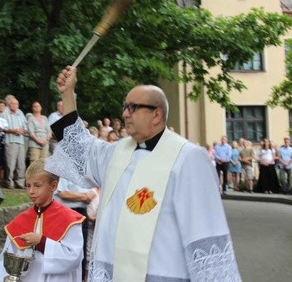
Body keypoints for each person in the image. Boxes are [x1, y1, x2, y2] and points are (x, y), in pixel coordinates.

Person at [46, 66, 241, 281]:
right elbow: (79, 148)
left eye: (133, 107)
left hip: (163, 273)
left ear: (156, 114)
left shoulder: (188, 158)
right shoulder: (116, 153)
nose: (125, 113)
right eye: (125, 107)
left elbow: (206, 231)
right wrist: (67, 94)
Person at [0, 159, 85, 282]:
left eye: (37, 186)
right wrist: (5, 277)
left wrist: (41, 242)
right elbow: (6, 258)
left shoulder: (70, 220)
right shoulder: (21, 220)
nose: (31, 191)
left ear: (53, 186)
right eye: (28, 185)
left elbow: (74, 258)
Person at [54, 178, 96, 281]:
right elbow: (62, 193)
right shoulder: (64, 171)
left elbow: (93, 191)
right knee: (66, 248)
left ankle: (80, 278)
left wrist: (90, 195)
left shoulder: (85, 173)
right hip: (67, 212)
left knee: (81, 249)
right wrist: (83, 196)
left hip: (82, 212)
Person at [1, 96, 28, 189]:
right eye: (12, 104)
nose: (14, 105)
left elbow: (26, 126)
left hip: (20, 141)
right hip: (10, 140)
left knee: (21, 162)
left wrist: (22, 130)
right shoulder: (5, 113)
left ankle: (20, 181)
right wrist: (12, 130)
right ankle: (9, 181)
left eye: (16, 104)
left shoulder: (20, 113)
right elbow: (2, 127)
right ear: (8, 104)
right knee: (10, 163)